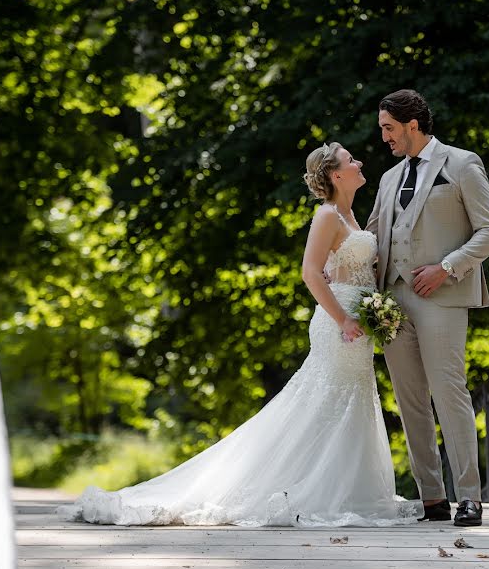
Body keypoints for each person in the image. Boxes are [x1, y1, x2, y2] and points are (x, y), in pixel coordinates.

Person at [57, 142, 419, 527]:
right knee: (325, 403)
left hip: (358, 324)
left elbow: (343, 264)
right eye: (351, 160)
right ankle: (302, 490)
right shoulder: (327, 215)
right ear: (335, 174)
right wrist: (344, 319)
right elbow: (310, 273)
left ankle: (349, 493)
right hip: (340, 324)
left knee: (348, 402)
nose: (359, 162)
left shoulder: (349, 215)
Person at [366, 89, 489, 527]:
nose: (384, 137)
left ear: (412, 124)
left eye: (389, 128)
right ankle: (432, 499)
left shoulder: (462, 164)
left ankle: (469, 497)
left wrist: (447, 267)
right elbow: (372, 237)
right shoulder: (388, 180)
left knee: (449, 393)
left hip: (441, 295)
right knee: (410, 402)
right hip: (392, 298)